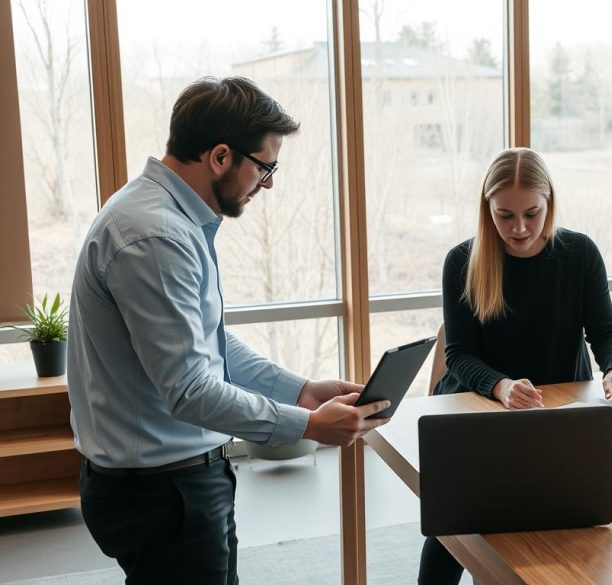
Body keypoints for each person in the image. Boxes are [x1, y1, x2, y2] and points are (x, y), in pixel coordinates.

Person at [67, 77, 391, 585]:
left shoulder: (165, 217)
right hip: (161, 491)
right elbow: (191, 389)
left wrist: (300, 391)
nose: (267, 184)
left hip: (173, 480)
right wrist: (308, 426)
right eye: (265, 167)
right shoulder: (156, 236)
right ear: (220, 156)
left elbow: (207, 342)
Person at [421, 147, 612, 583]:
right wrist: (501, 386)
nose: (519, 228)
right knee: (453, 523)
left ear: (550, 201)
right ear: (486, 209)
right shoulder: (463, 261)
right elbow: (459, 354)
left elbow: (605, 332)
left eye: (532, 213)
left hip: (559, 413)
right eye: (504, 215)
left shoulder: (579, 254)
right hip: (480, 410)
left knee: (569, 528)